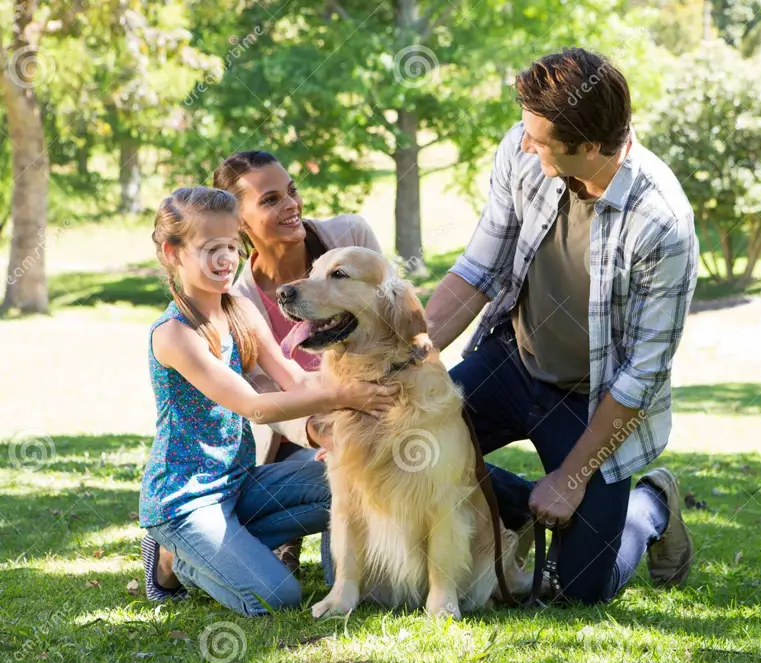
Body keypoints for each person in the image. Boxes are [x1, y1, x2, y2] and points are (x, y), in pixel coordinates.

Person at [425, 48, 699, 605]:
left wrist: (573, 478)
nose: (524, 143)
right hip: (513, 362)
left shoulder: (662, 223)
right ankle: (531, 499)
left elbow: (642, 376)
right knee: (414, 442)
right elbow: (479, 269)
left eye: (539, 139)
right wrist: (404, 360)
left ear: (591, 146)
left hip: (593, 401)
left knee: (575, 590)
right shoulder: (523, 151)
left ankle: (650, 502)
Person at [138, 186, 398, 616]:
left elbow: (293, 377)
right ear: (172, 252)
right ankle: (175, 558)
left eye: (231, 246)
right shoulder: (175, 335)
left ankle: (224, 546)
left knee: (350, 487)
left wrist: (336, 421)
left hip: (238, 483)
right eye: (210, 248)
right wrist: (344, 394)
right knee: (276, 597)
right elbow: (254, 407)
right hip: (185, 500)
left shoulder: (240, 309)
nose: (225, 259)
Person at [213, 151, 383, 573]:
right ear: (238, 223)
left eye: (291, 192)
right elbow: (262, 393)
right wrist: (319, 430)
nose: (291, 205)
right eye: (270, 200)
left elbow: (386, 322)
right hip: (301, 441)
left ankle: (514, 511)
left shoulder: (351, 236)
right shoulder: (238, 301)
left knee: (365, 582)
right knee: (342, 559)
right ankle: (279, 536)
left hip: (376, 413)